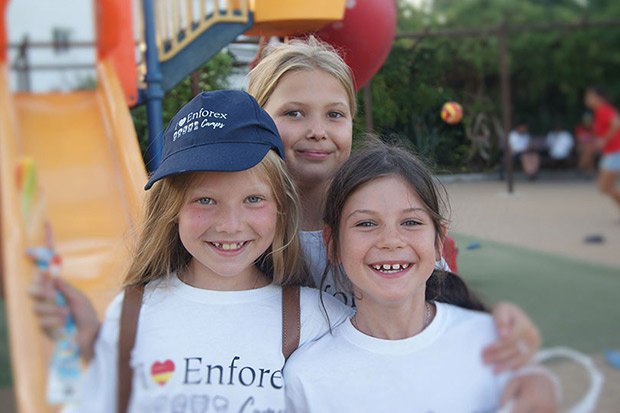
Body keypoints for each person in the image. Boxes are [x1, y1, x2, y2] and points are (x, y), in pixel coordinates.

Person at [31, 38, 549, 407]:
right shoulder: (230, 246)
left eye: (335, 114)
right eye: (294, 113)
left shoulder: (382, 219)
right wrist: (99, 342)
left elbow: (438, 314)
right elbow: (186, 328)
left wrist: (500, 325)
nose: (317, 131)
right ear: (257, 119)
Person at [65, 90, 351, 412]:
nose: (230, 225)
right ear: (172, 209)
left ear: (281, 207)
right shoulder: (132, 313)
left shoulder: (317, 319)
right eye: (205, 200)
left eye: (253, 199)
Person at [284, 142, 557, 412]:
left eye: (411, 222)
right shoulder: (306, 379)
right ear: (332, 244)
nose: (391, 241)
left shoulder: (493, 345)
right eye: (366, 223)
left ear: (439, 241)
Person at [584, 86, 620, 213]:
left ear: (599, 98)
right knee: (605, 186)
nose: (587, 99)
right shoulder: (600, 111)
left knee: (604, 186)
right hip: (612, 152)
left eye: (590, 96)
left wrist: (605, 140)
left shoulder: (603, 109)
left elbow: (616, 123)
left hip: (615, 152)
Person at [574, 112, 597, 177]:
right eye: (586, 120)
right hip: (581, 147)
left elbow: (596, 141)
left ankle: (580, 167)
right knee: (589, 152)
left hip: (593, 148)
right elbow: (578, 141)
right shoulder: (579, 128)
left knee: (589, 151)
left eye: (589, 120)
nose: (587, 121)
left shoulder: (595, 128)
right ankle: (589, 173)